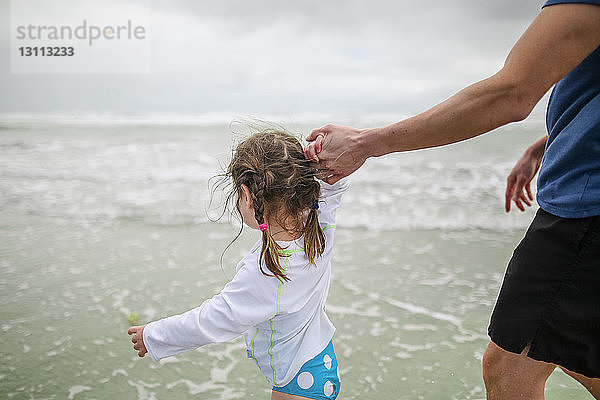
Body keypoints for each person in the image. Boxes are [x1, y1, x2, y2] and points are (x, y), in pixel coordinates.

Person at [303, 1, 600, 399]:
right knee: (562, 342)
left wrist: (365, 143)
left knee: (511, 367)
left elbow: (511, 93)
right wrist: (551, 142)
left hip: (586, 205)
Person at [128, 130, 348, 400]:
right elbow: (333, 187)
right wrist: (326, 161)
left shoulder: (269, 271)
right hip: (315, 362)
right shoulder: (317, 225)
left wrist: (154, 336)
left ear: (247, 195)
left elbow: (214, 319)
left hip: (299, 382)